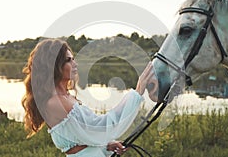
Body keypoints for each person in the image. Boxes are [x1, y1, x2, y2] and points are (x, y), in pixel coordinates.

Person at [21, 38, 156, 157]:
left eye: (73, 59)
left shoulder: (67, 97)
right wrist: (137, 92)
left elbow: (82, 137)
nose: (75, 64)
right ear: (54, 66)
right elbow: (103, 126)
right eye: (68, 60)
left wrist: (106, 145)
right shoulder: (55, 102)